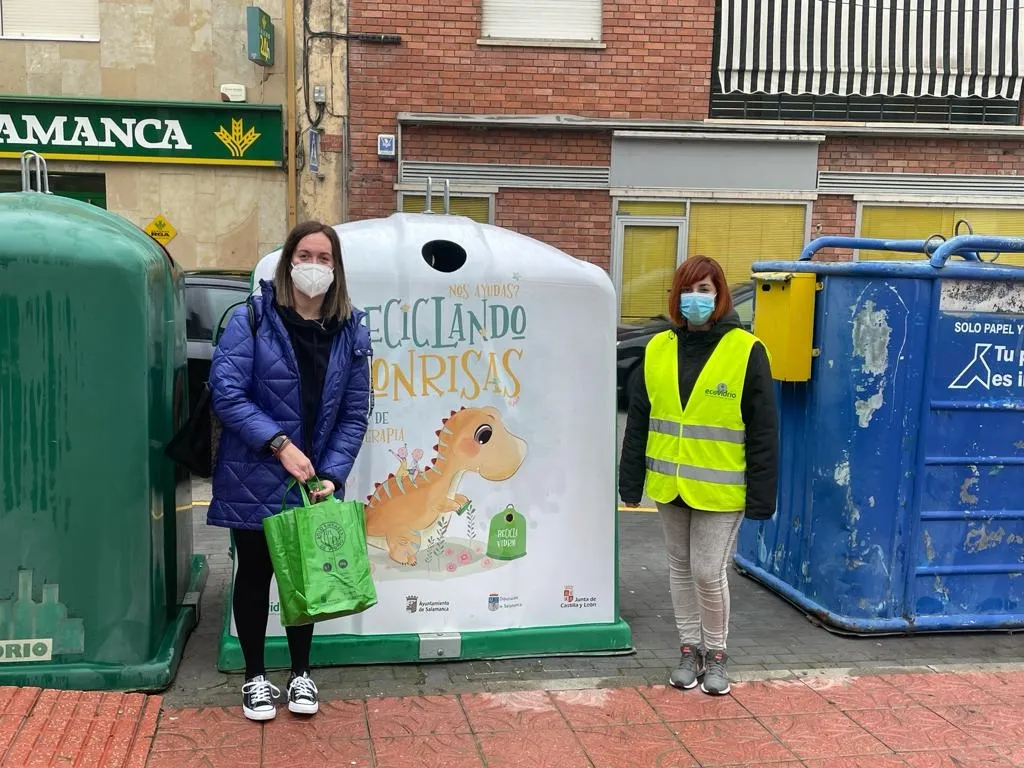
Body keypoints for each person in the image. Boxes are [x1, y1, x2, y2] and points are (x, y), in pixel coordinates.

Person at [206, 220, 372, 721]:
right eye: (306, 255)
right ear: (288, 262)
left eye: (325, 258)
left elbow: (354, 409)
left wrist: (334, 472)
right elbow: (226, 393)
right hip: (254, 470)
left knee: (307, 576)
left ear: (337, 268)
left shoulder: (351, 329)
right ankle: (256, 678)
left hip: (313, 477)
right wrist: (280, 445)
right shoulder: (253, 319)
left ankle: (301, 673)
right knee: (255, 574)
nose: (315, 267)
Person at [618, 255, 778, 696]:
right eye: (688, 290)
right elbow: (640, 420)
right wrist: (630, 482)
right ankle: (689, 649)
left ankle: (717, 654)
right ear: (676, 297)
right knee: (680, 569)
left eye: (705, 290)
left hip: (721, 488)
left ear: (720, 295)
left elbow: (764, 429)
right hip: (670, 485)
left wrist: (763, 497)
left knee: (708, 571)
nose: (696, 298)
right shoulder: (658, 348)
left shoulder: (747, 350)